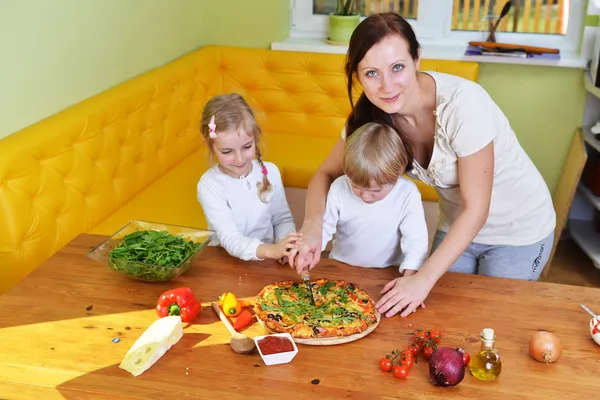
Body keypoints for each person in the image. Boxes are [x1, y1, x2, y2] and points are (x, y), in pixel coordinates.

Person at [289, 12, 556, 318]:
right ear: (357, 75)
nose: (387, 86)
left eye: (397, 68)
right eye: (371, 73)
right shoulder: (370, 118)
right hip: (456, 226)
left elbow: (477, 208)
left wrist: (423, 278)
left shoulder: (463, 104)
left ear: (417, 59)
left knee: (493, 318)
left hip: (519, 230)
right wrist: (311, 228)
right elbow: (325, 173)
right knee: (441, 316)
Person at [197, 93, 301, 263]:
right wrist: (273, 250)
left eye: (246, 147)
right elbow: (231, 239)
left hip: (266, 262)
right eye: (227, 151)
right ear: (209, 143)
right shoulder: (209, 185)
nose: (239, 159)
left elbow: (282, 219)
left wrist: (285, 246)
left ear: (255, 137)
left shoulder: (270, 172)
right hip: (225, 265)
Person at [321, 121, 429, 276]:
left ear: (398, 172)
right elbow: (323, 227)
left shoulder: (407, 194)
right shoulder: (339, 187)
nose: (365, 196)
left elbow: (416, 242)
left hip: (387, 271)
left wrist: (409, 276)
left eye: (375, 190)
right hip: (341, 266)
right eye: (356, 187)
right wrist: (309, 249)